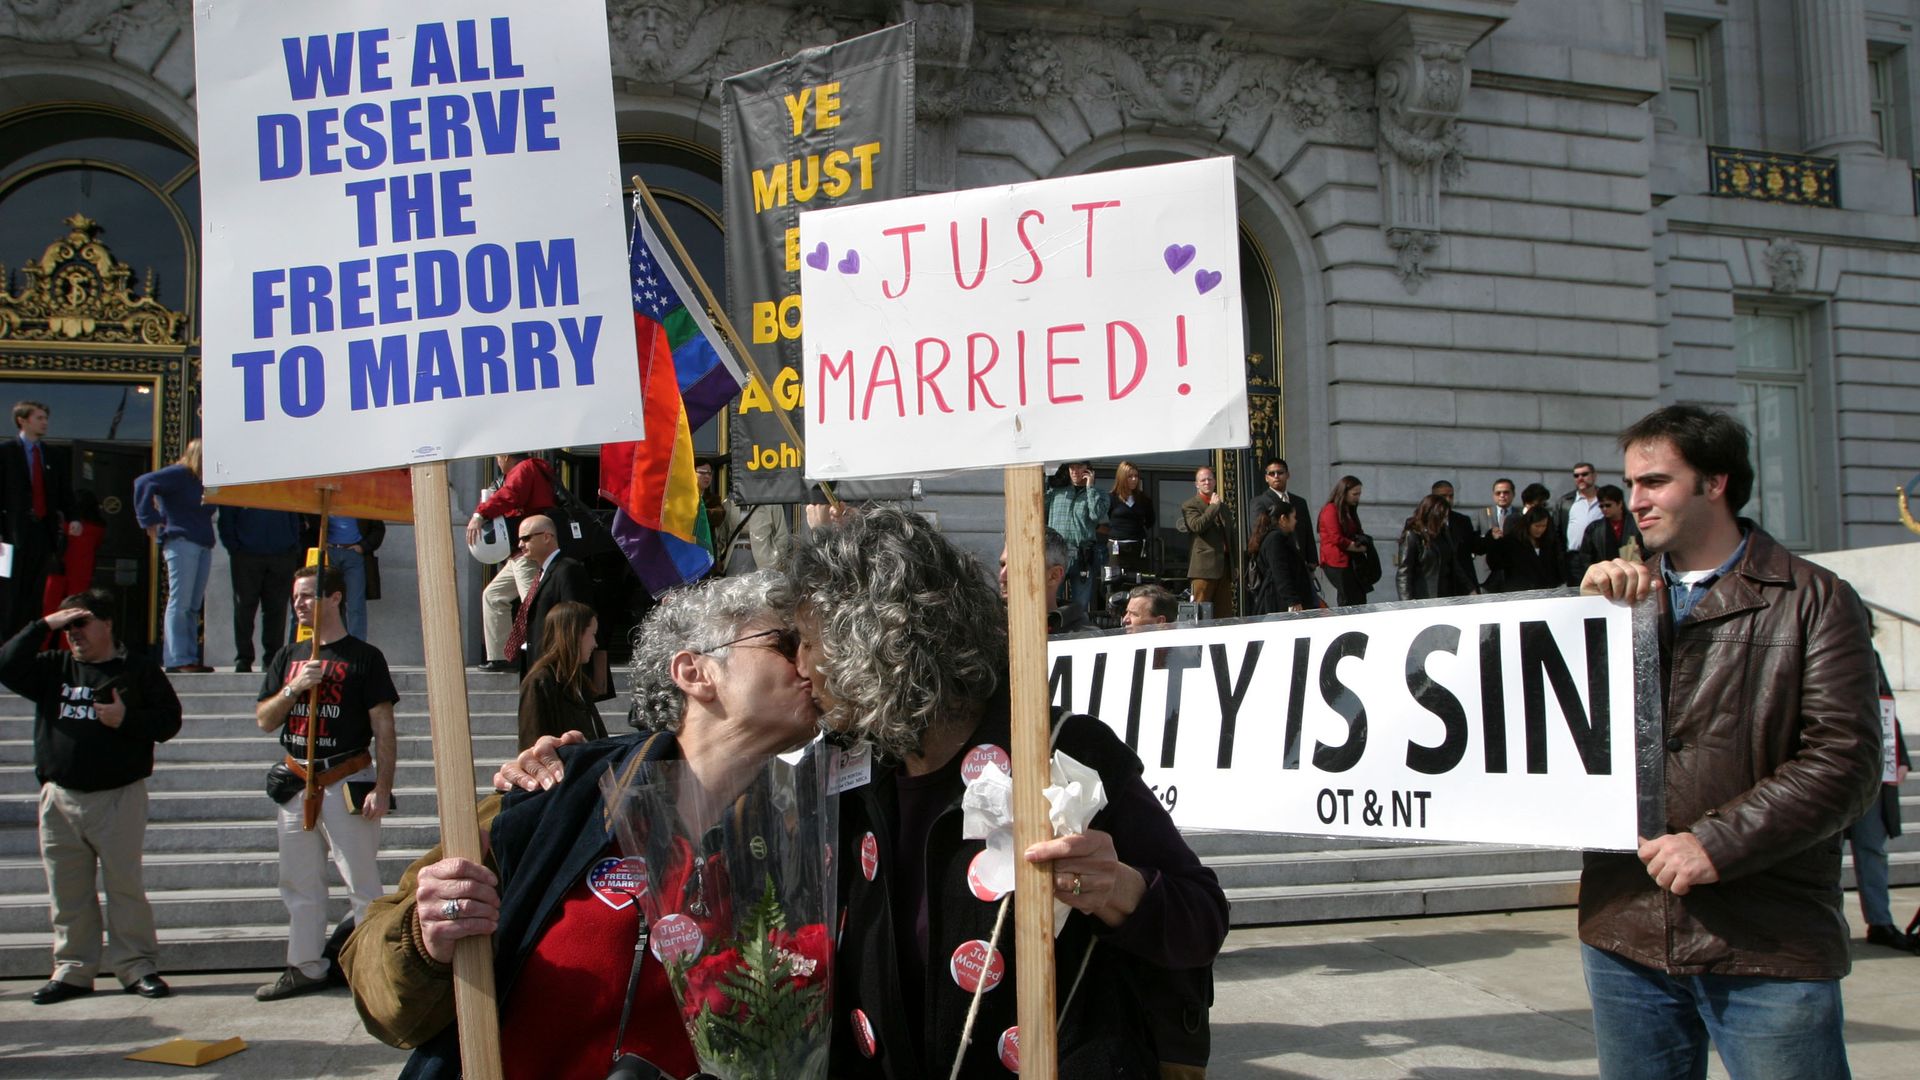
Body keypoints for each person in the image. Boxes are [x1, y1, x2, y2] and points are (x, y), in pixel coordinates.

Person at [785, 506, 1229, 1077]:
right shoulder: (854, 772)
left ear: (874, 638)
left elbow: (1202, 918)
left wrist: (1119, 889)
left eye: (806, 641)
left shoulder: (1061, 750)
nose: (798, 665)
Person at [342, 572, 819, 1078]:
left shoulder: (805, 825)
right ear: (695, 672)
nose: (810, 662)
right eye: (787, 644)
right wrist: (427, 939)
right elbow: (375, 984)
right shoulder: (559, 791)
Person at [1576, 404, 1881, 1079]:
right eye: (1630, 485)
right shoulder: (1616, 601)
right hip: (1624, 931)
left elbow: (1848, 762)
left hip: (1766, 942)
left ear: (1715, 483)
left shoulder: (1815, 599)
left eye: (1655, 482)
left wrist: (1717, 842)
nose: (1635, 502)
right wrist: (1580, 620)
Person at [0, 587, 180, 1004]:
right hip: (60, 798)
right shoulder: (52, 667)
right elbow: (6, 665)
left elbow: (169, 722)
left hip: (118, 796)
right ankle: (73, 969)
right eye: (66, 627)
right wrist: (42, 626)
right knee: (67, 892)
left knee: (124, 888)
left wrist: (125, 719)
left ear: (107, 623)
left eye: (80, 623)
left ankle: (136, 966)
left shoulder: (138, 669)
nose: (72, 634)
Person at [255, 564, 398, 1002]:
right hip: (297, 781)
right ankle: (305, 967)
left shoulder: (364, 657)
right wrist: (294, 688)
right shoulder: (289, 656)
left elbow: (384, 729)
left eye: (307, 595)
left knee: (361, 884)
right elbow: (265, 719)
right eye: (295, 596)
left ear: (335, 598)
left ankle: (371, 969)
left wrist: (383, 786)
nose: (298, 603)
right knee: (300, 883)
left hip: (346, 777)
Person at [1849, 634, 1911, 952]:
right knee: (1822, 854)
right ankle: (1829, 928)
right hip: (1819, 769)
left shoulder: (1867, 653)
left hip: (1869, 770)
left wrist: (1898, 757)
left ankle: (1880, 922)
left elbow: (1885, 708)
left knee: (1872, 848)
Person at [471, 453, 560, 671]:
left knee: (533, 603)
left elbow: (509, 496)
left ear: (505, 456)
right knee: (493, 595)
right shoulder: (531, 469)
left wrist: (480, 515)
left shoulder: (524, 468)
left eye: (498, 458)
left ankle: (548, 654)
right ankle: (502, 656)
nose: (498, 463)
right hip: (520, 551)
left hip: (527, 550)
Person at [134, 438, 215, 673]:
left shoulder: (202, 482)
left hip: (202, 543)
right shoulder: (179, 474)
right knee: (180, 601)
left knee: (192, 604)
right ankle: (177, 658)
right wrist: (149, 520)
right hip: (181, 542)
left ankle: (188, 655)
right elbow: (143, 482)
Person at [0, 400, 67, 642]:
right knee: (8, 591)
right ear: (23, 420)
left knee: (35, 591)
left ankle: (26, 642)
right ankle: (4, 644)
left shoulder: (51, 455)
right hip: (10, 535)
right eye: (39, 418)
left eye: (45, 418)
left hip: (40, 532)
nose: (45, 423)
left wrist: (73, 517)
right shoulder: (6, 452)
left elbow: (62, 491)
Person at [217, 505, 304, 674]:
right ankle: (244, 658)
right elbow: (226, 518)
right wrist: (234, 548)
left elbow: (293, 515)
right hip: (246, 556)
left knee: (277, 609)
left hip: (282, 554)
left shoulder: (281, 483)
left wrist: (293, 545)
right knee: (244, 607)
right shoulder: (238, 485)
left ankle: (272, 659)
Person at [516, 600, 607, 751]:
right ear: (574, 634)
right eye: (592, 635)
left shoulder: (578, 680)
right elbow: (532, 745)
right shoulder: (540, 681)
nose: (595, 644)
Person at [509, 515, 592, 675]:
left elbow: (575, 623)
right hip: (539, 667)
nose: (520, 544)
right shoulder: (542, 573)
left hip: (559, 672)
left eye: (526, 538)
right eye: (519, 539)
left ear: (547, 537)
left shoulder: (568, 570)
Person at [1046, 458, 1110, 613]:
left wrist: (1090, 488)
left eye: (1079, 467)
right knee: (1050, 600)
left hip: (1082, 554)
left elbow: (1096, 515)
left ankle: (1077, 634)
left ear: (1088, 470)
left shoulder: (1099, 494)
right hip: (1057, 552)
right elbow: (1035, 505)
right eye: (1071, 467)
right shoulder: (1057, 492)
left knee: (1080, 605)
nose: (1074, 471)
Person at [998, 529, 1089, 635]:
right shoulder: (985, 628)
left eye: (1016, 566)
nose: (1002, 577)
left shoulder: (1085, 641)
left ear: (1053, 576)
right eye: (1002, 565)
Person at [41, 489, 106, 621]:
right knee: (74, 612)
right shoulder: (98, 528)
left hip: (58, 569)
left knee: (49, 611)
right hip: (82, 572)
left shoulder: (65, 525)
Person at [1181, 465, 1235, 618]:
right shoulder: (1190, 505)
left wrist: (1234, 564)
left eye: (1209, 479)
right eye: (1202, 480)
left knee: (1224, 613)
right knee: (1200, 612)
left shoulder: (1223, 507)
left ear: (1215, 482)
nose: (1207, 482)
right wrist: (1212, 507)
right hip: (1203, 568)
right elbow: (1197, 526)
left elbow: (1230, 536)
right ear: (1197, 484)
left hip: (1223, 566)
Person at [1395, 495, 1468, 601]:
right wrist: (1407, 603)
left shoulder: (1443, 534)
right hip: (1424, 597)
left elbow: (1454, 564)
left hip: (1446, 595)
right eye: (1441, 517)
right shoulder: (1413, 535)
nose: (1444, 521)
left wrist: (1469, 588)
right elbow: (1404, 573)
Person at [1252, 457, 1316, 574]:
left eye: (1280, 472)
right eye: (1272, 473)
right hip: (1276, 563)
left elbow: (1307, 531)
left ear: (1287, 475)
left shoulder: (1300, 502)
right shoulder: (1260, 502)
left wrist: (1312, 560)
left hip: (1300, 563)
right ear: (1266, 478)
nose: (1276, 476)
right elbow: (1258, 532)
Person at [1317, 475, 1373, 607]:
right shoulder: (1330, 509)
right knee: (1348, 596)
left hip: (1350, 561)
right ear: (1344, 492)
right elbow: (1336, 538)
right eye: (1354, 494)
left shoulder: (1349, 510)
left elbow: (1357, 531)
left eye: (1359, 494)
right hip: (1336, 561)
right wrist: (1357, 547)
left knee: (1357, 596)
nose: (1357, 497)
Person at [1569, 484, 1642, 583]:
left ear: (1620, 503)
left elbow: (1649, 551)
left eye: (1608, 505)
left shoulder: (1637, 524)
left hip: (1634, 577)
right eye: (1601, 506)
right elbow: (1586, 557)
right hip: (1605, 579)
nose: (1604, 509)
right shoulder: (1594, 528)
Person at [1253, 504, 1314, 613]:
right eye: (1293, 517)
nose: (1295, 521)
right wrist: (1292, 600)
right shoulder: (1275, 539)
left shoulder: (1280, 538)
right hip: (1279, 602)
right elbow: (1280, 572)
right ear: (1283, 519)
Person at [1488, 506, 1564, 591]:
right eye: (1537, 526)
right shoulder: (1513, 542)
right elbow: (1496, 563)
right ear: (1528, 524)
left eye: (1543, 526)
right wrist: (1494, 542)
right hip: (1520, 590)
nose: (1540, 529)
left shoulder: (1549, 542)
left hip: (1545, 590)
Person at [1428, 480, 1480, 596]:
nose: (1448, 500)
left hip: (1461, 584)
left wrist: (1491, 537)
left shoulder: (1462, 521)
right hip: (1436, 585)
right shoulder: (1425, 523)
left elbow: (1475, 546)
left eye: (1451, 496)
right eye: (1443, 496)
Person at [1106, 459, 1153, 580]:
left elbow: (1150, 521)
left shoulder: (1144, 499)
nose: (1134, 479)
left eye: (1136, 476)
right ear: (1121, 477)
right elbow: (1099, 521)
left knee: (1139, 584)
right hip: (1117, 549)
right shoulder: (1111, 498)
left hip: (1138, 549)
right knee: (1115, 583)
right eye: (1129, 476)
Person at [1555, 462, 1603, 575]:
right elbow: (1556, 531)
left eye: (1584, 474)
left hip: (1601, 557)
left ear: (1594, 476)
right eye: (1576, 476)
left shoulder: (1605, 498)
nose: (1580, 478)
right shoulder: (1565, 501)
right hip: (1574, 559)